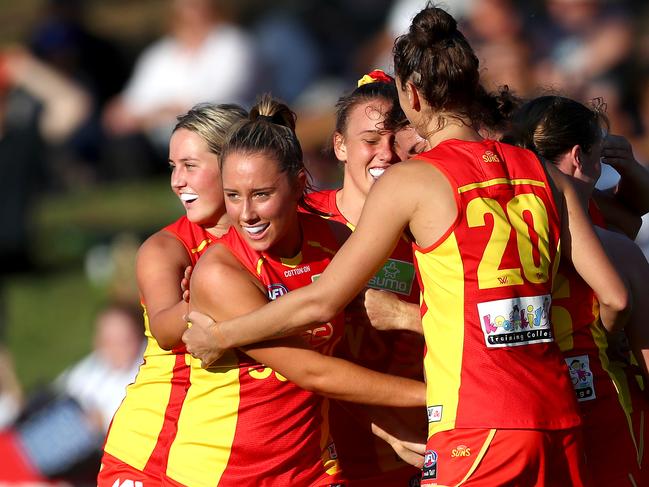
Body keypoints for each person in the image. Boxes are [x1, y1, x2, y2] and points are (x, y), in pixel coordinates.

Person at [182, 6, 630, 486]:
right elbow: (615, 297)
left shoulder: (415, 180)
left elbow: (322, 300)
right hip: (557, 415)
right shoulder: (539, 169)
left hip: (476, 422)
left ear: (412, 95)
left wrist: (224, 335)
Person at [177, 95, 426, 486]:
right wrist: (442, 394)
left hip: (312, 469)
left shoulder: (334, 240)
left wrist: (387, 427)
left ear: (297, 185)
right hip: (229, 473)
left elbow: (339, 363)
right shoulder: (221, 273)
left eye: (261, 194)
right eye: (233, 196)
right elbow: (313, 371)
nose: (245, 215)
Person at [97, 103, 248, 486]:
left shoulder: (271, 234)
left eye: (190, 166)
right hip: (154, 451)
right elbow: (166, 328)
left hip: (233, 453)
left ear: (232, 164)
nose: (176, 181)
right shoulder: (166, 248)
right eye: (172, 167)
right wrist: (205, 298)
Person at [504, 95, 649, 486]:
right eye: (598, 155)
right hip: (606, 413)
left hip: (522, 421)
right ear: (578, 157)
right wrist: (609, 330)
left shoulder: (494, 236)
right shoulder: (611, 244)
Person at [305, 69, 426, 485]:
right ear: (339, 145)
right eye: (371, 140)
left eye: (396, 141)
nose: (386, 154)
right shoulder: (301, 220)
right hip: (317, 452)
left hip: (414, 448)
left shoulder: (429, 224)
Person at [0, 302, 144, 485]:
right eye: (106, 340)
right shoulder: (95, 366)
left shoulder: (143, 374)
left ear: (138, 337)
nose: (112, 347)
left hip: (86, 461)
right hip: (31, 448)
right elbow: (59, 389)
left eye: (122, 340)